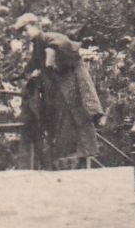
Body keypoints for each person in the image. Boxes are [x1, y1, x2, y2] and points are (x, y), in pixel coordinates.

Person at [15, 14, 105, 170]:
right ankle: (68, 162)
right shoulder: (37, 45)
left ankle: (80, 161)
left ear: (35, 25)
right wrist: (24, 74)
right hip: (57, 92)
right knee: (61, 126)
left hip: (73, 87)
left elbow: (60, 48)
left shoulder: (52, 38)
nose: (24, 34)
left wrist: (51, 55)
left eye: (25, 29)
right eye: (21, 31)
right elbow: (33, 65)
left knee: (77, 120)